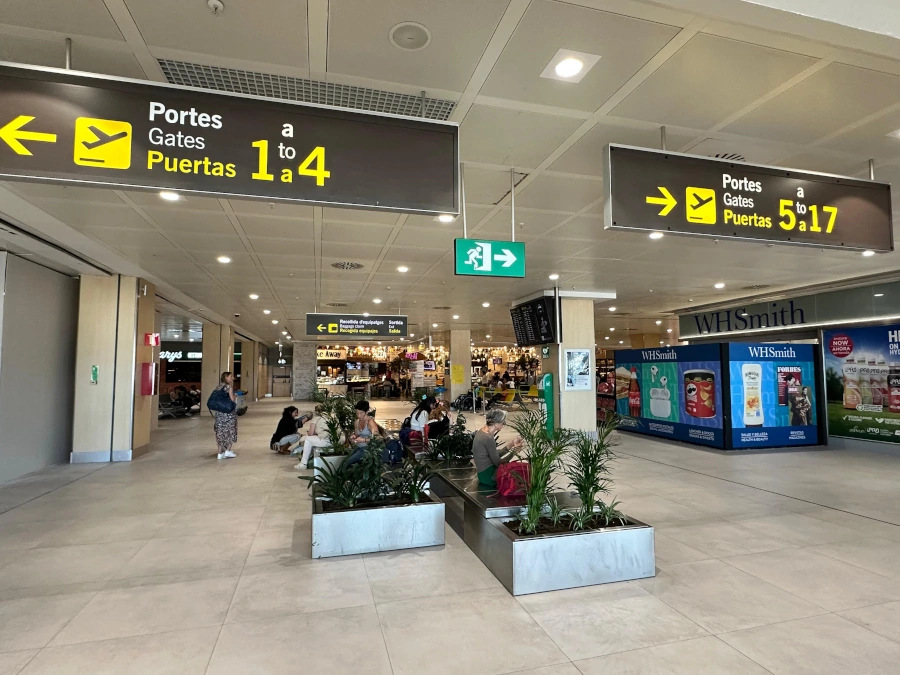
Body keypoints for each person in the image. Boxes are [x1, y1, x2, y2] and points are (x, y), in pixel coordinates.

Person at [473, 408, 522, 487]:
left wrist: (511, 444)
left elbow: (494, 455)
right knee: (521, 472)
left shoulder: (481, 432)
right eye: (503, 422)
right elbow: (498, 463)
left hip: (483, 475)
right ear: (495, 423)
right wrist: (514, 452)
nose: (504, 424)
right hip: (489, 477)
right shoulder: (488, 438)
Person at [295, 404, 331, 470]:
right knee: (311, 439)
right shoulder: (331, 416)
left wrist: (311, 432)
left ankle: (304, 463)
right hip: (337, 440)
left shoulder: (316, 418)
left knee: (308, 440)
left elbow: (310, 433)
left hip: (326, 441)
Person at [213, 372, 238, 460]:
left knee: (220, 431)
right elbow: (232, 399)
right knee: (230, 430)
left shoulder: (218, 387)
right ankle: (228, 450)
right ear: (226, 377)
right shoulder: (228, 387)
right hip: (228, 413)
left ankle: (220, 453)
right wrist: (235, 395)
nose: (233, 378)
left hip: (219, 413)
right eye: (231, 376)